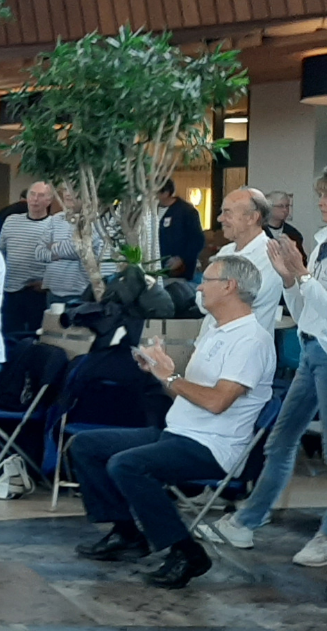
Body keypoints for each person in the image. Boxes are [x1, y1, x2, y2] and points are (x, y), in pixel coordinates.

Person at [72, 255, 274, 589]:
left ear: (229, 286)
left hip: (213, 444)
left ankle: (186, 551)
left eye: (206, 280)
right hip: (178, 432)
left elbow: (217, 401)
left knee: (128, 465)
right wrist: (160, 372)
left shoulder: (250, 340)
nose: (199, 287)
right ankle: (126, 533)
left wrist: (172, 376)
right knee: (85, 446)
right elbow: (187, 396)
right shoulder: (215, 331)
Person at [198, 174, 327, 563]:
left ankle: (324, 535)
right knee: (281, 440)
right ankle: (246, 521)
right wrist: (293, 279)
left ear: (254, 216)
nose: (321, 202)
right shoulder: (321, 241)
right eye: (321, 195)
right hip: (311, 348)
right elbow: (305, 307)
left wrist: (300, 275)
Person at [208, 188, 283, 334]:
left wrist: (215, 295)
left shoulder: (271, 254)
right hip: (210, 341)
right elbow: (202, 299)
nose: (220, 219)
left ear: (252, 217)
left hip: (245, 346)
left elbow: (245, 300)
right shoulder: (225, 251)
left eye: (227, 213)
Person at [0, 182, 55, 335]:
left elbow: (60, 259)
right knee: (9, 332)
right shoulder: (11, 221)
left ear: (49, 200)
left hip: (37, 291)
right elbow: (0, 251)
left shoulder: (55, 225)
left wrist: (47, 282)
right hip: (10, 288)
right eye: (32, 194)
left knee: (36, 333)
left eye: (41, 196)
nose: (35, 199)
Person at [157, 178, 207, 280]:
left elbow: (197, 240)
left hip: (177, 272)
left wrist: (181, 258)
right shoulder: (149, 211)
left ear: (166, 193)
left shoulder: (186, 211)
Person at [264, 190, 306, 256]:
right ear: (269, 207)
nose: (285, 210)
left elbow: (302, 259)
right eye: (280, 206)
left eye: (287, 206)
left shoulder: (293, 234)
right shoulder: (257, 232)